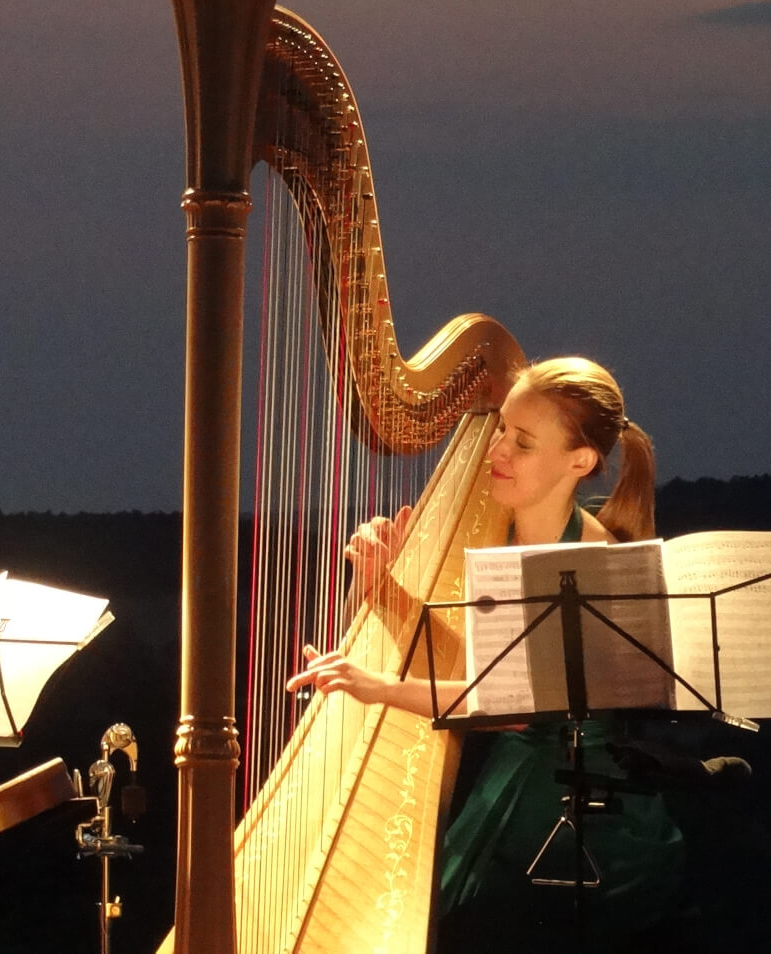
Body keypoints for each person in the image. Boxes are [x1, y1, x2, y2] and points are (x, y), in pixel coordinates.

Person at [286, 357, 685, 951]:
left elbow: (505, 702)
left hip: (581, 811)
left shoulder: (591, 562)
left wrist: (376, 688)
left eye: (521, 443)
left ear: (580, 462)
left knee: (469, 920)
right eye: (501, 429)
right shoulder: (488, 531)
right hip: (515, 777)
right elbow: (460, 656)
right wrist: (377, 585)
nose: (496, 450)